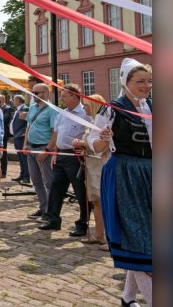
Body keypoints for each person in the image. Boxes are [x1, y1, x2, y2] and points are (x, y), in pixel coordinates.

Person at [88, 59, 153, 306]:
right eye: (140, 81)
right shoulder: (112, 109)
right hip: (125, 175)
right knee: (137, 237)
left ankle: (127, 298)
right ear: (125, 81)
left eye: (149, 81)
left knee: (149, 237)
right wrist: (104, 139)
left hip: (152, 174)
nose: (146, 86)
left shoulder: (153, 106)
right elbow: (95, 144)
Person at [39, 84, 91, 235]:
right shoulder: (62, 113)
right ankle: (53, 220)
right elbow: (56, 134)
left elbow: (91, 134)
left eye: (64, 96)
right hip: (61, 155)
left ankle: (82, 224)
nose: (61, 99)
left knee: (80, 191)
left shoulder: (85, 113)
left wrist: (85, 148)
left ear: (74, 96)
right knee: (56, 188)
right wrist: (54, 152)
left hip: (76, 157)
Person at [72, 93, 108, 249]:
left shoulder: (102, 125)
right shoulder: (92, 123)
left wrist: (82, 143)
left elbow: (101, 147)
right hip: (92, 166)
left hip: (101, 167)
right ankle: (99, 235)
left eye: (86, 105)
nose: (84, 108)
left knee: (103, 202)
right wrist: (82, 147)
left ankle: (109, 238)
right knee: (96, 202)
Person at [23, 83, 59, 222]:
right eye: (33, 92)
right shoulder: (33, 107)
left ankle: (51, 211)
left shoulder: (52, 110)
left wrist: (48, 150)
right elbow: (29, 126)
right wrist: (26, 144)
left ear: (45, 93)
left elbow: (55, 132)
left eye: (36, 93)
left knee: (48, 181)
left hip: (43, 148)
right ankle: (43, 208)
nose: (34, 95)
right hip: (31, 148)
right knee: (36, 181)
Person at [9, 94, 30, 184]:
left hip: (21, 137)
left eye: (14, 100)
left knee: (24, 158)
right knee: (20, 158)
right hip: (16, 136)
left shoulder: (25, 109)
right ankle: (22, 174)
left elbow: (29, 123)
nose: (13, 101)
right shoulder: (18, 109)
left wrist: (24, 132)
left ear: (18, 100)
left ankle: (26, 177)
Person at [0, 93, 13, 178]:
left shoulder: (7, 108)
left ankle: (3, 172)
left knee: (3, 153)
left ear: (3, 100)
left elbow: (4, 119)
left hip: (4, 134)